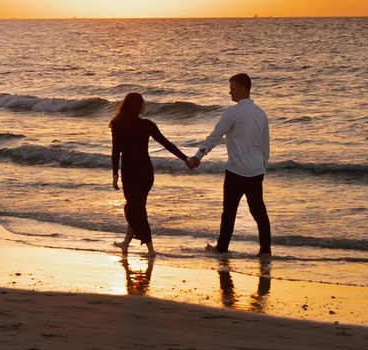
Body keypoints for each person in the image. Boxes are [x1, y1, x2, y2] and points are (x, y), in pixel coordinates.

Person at [190, 72, 272, 253]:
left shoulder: (233, 112)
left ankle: (222, 248)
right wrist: (263, 166)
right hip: (256, 171)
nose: (230, 93)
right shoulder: (261, 114)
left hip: (236, 171)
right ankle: (266, 250)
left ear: (244, 89)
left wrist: (198, 157)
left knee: (229, 213)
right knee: (259, 212)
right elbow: (265, 147)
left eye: (233, 89)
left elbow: (215, 136)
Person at [107, 91, 192, 248]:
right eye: (143, 103)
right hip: (146, 173)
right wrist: (185, 159)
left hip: (130, 173)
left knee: (133, 208)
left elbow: (115, 151)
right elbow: (167, 144)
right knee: (137, 207)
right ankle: (126, 243)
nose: (145, 106)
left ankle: (150, 247)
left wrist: (114, 174)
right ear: (137, 106)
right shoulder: (146, 125)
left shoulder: (118, 124)